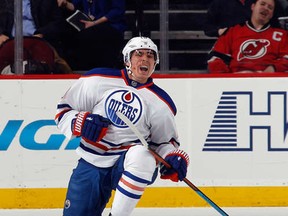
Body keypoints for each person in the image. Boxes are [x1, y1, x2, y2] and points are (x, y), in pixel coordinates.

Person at [55, 36, 190, 216]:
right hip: (91, 161)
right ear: (127, 59)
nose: (144, 59)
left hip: (126, 164)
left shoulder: (161, 103)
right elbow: (63, 110)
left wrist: (172, 157)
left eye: (150, 56)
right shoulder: (97, 80)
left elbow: (164, 144)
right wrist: (81, 122)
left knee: (142, 155)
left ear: (155, 62)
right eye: (139, 54)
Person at [207, 0, 288, 74]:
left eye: (270, 7)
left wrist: (273, 68)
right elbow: (215, 58)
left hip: (268, 83)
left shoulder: (281, 35)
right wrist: (230, 77)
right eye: (262, 4)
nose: (266, 8)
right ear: (253, 7)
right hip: (235, 82)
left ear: (272, 14)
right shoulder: (233, 31)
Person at [0, 0, 73, 74]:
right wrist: (0, 34)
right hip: (8, 41)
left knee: (60, 64)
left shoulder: (47, 1)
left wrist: (42, 33)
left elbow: (57, 22)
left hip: (38, 41)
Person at [57, 0, 127, 71]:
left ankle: (99, 69)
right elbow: (75, 6)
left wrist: (95, 22)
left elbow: (117, 11)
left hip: (110, 25)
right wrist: (65, 3)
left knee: (88, 35)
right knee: (65, 31)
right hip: (89, 24)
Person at [203, 0, 285, 37]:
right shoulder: (219, 2)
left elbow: (277, 25)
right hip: (229, 45)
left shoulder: (263, 2)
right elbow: (208, 28)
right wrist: (220, 31)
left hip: (260, 43)